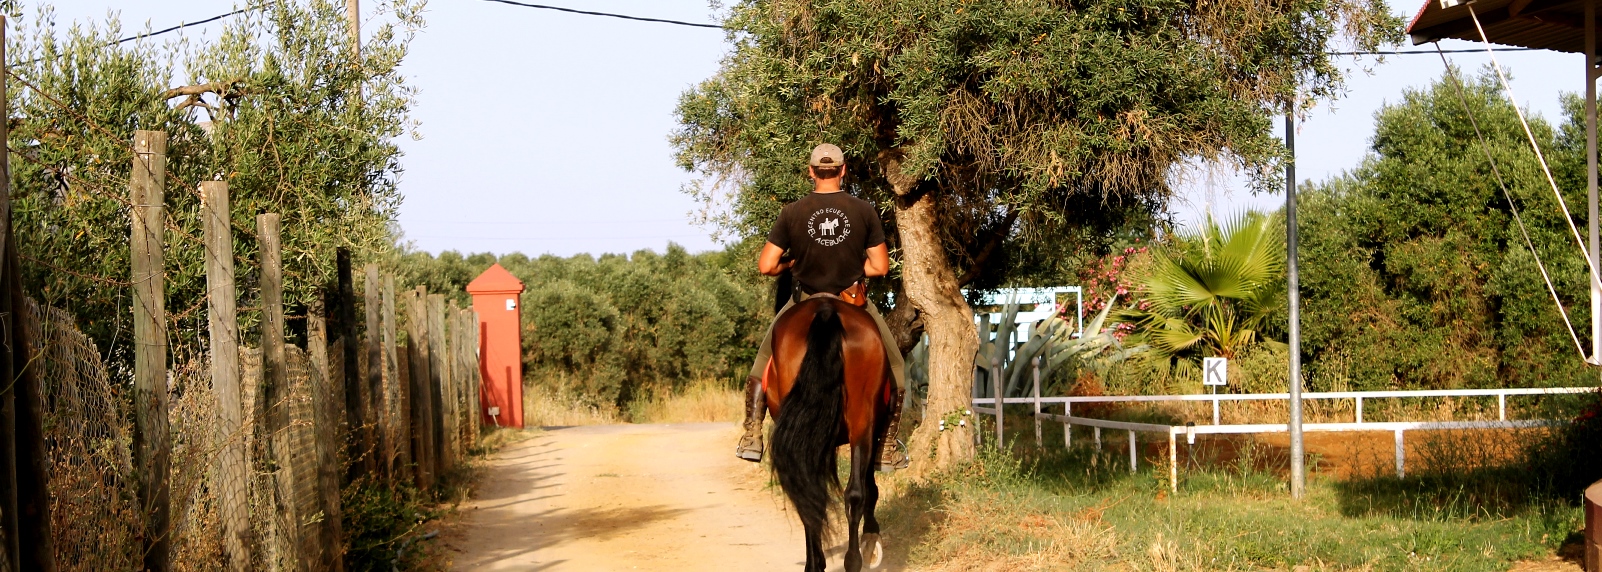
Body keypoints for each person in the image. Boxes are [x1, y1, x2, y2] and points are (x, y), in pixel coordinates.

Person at [736, 143, 909, 471]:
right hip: (852, 299)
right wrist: (854, 265)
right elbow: (880, 267)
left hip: (803, 300)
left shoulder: (792, 212)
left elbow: (766, 265)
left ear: (811, 171)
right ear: (843, 170)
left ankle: (752, 435)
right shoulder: (863, 210)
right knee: (897, 368)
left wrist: (790, 265)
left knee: (762, 363)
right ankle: (886, 447)